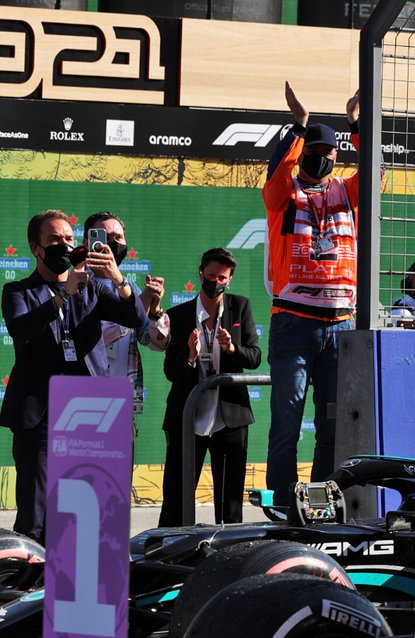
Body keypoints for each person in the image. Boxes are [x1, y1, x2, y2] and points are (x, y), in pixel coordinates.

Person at [1, 210, 141, 539]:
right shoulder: (18, 291)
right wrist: (65, 294)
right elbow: (21, 328)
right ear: (36, 248)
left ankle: (79, 583)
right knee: (35, 512)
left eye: (68, 238)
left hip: (89, 413)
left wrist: (117, 277)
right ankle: (29, 584)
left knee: (87, 510)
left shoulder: (95, 289)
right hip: (40, 416)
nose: (64, 245)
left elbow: (134, 316)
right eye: (54, 240)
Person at [262, 82, 359, 517]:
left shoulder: (347, 193)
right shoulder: (283, 194)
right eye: (313, 149)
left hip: (341, 324)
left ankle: (321, 506)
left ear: (337, 155)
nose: (322, 156)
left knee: (333, 426)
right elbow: (276, 171)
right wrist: (297, 127)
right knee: (286, 423)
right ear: (302, 152)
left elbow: (375, 171)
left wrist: (356, 124)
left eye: (329, 150)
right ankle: (284, 505)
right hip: (294, 323)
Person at [160, 248, 261, 527]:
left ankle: (229, 555)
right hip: (187, 415)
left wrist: (231, 347)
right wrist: (190, 357)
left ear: (229, 280)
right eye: (212, 275)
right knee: (177, 496)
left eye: (223, 277)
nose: (216, 281)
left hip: (229, 416)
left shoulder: (240, 307)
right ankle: (170, 553)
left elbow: (254, 357)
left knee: (229, 502)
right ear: (201, 273)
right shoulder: (178, 315)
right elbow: (171, 371)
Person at [83, 211, 169, 428]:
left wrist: (154, 311)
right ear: (88, 242)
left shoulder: (131, 289)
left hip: (121, 399)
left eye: (118, 237)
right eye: (106, 237)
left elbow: (156, 343)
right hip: (81, 398)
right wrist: (133, 312)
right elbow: (88, 339)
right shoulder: (75, 285)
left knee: (120, 462)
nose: (113, 243)